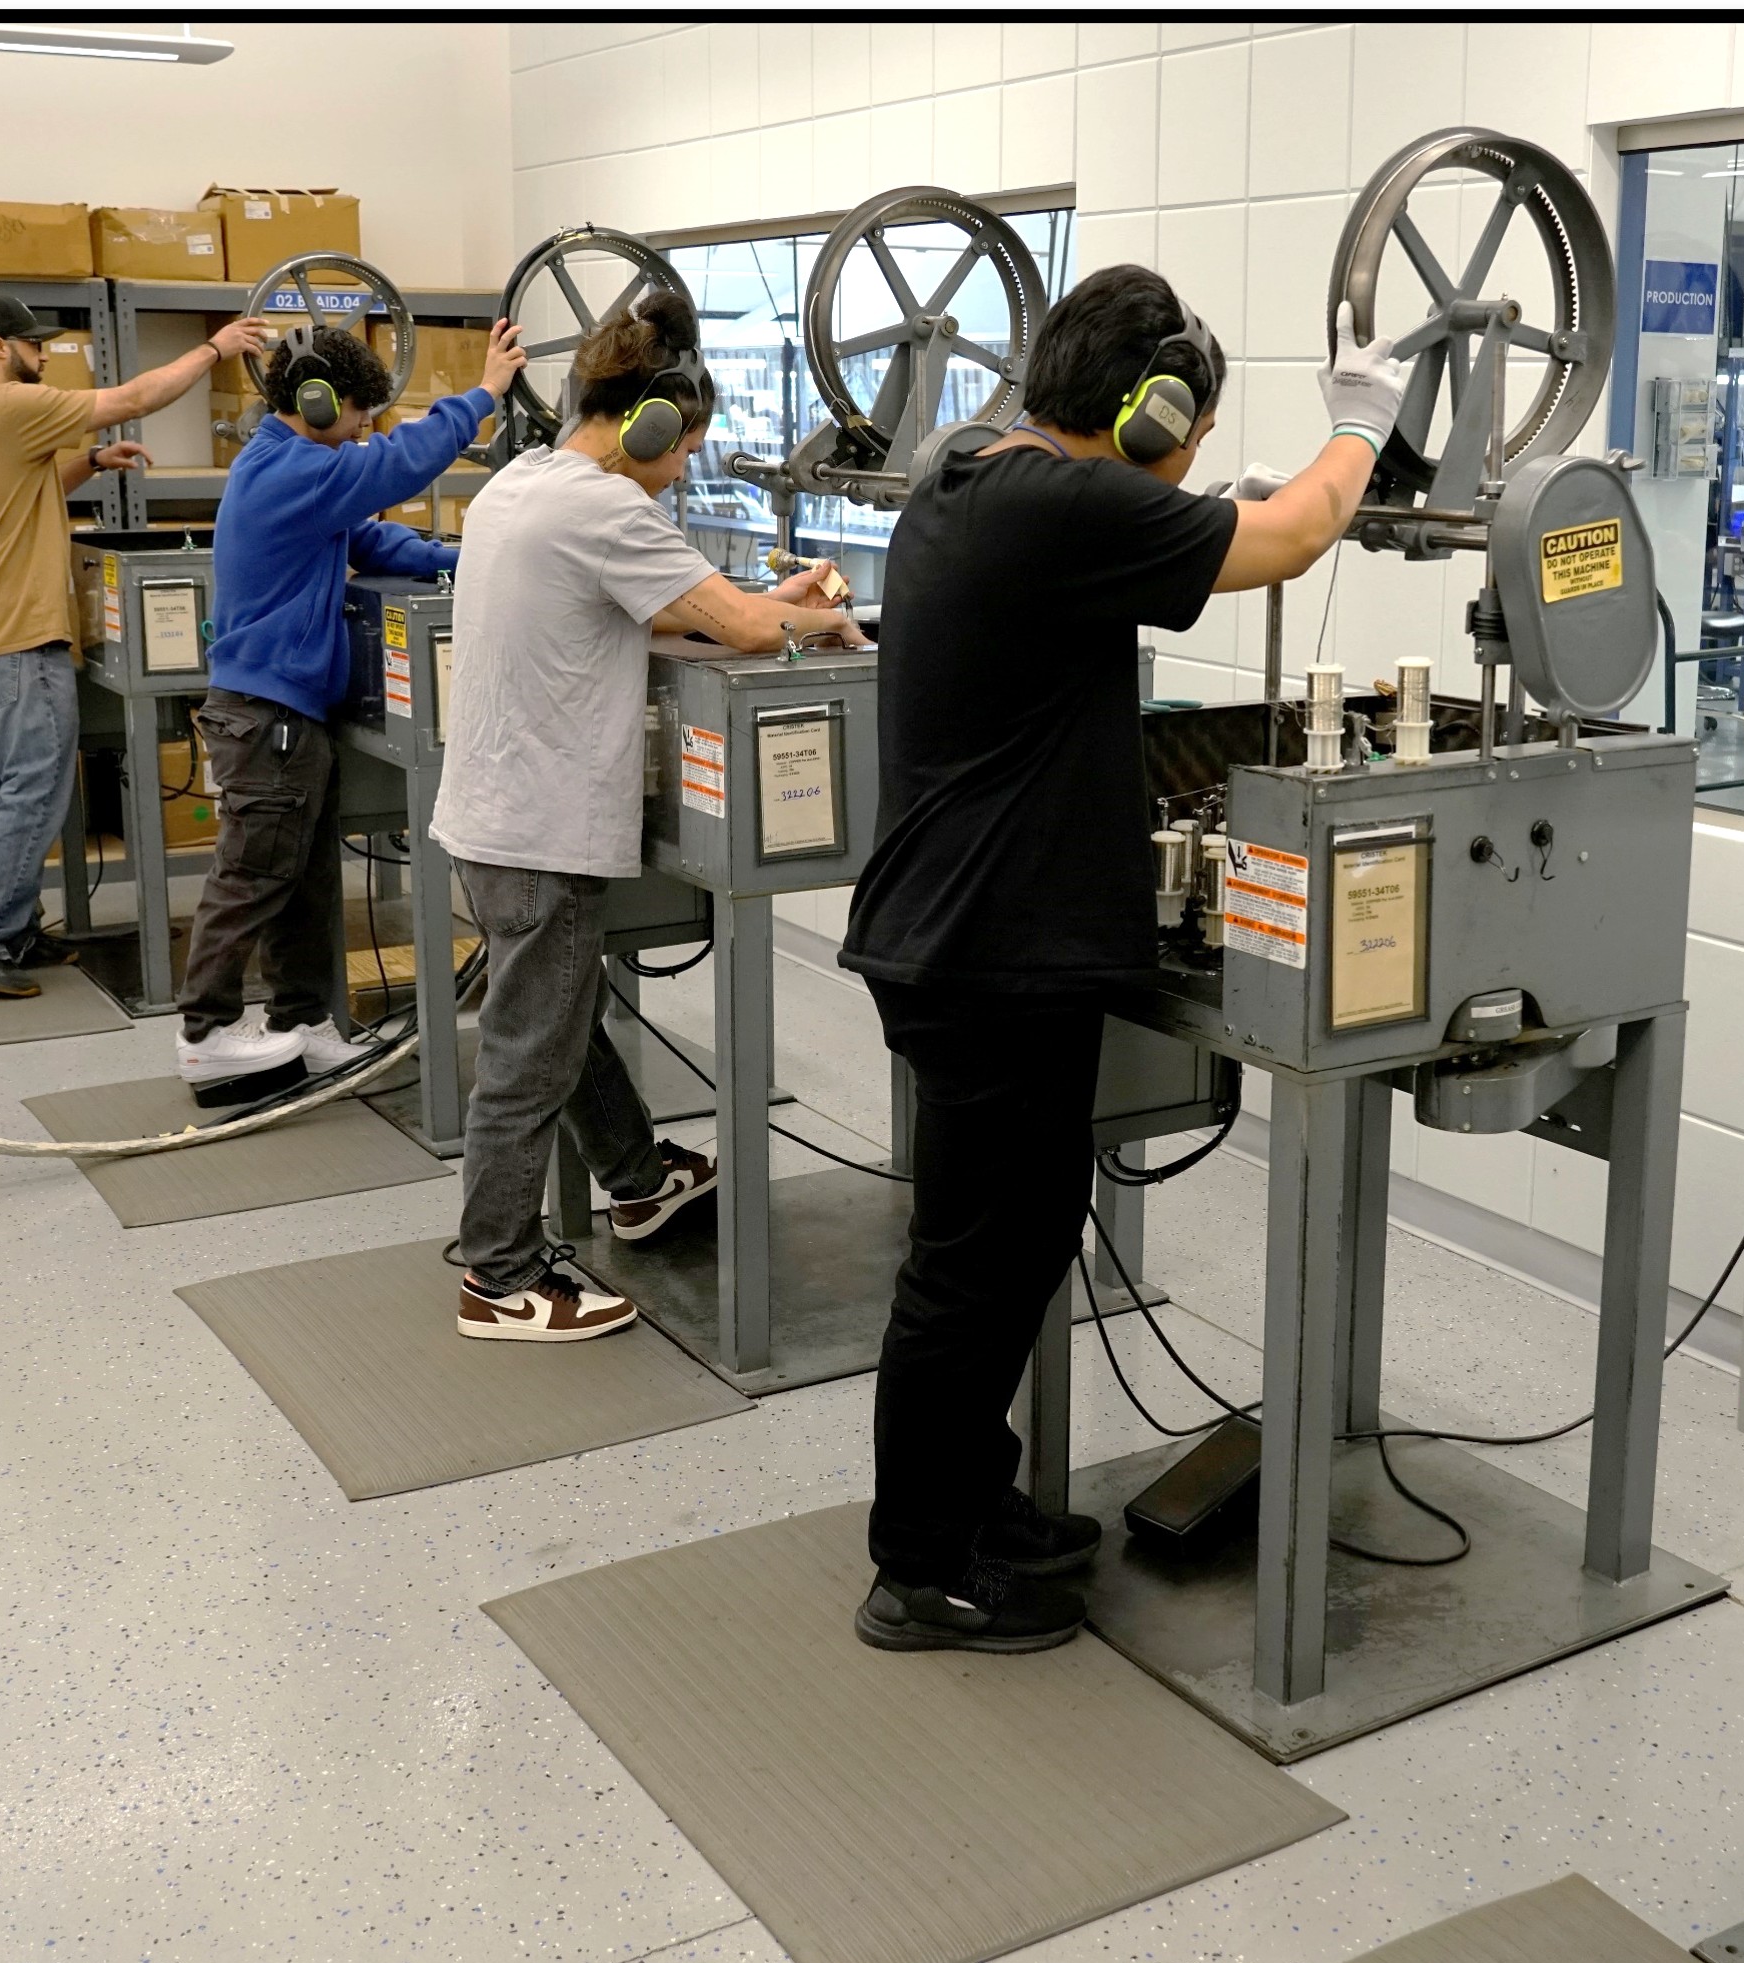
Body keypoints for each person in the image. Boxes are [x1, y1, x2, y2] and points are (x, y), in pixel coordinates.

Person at [835, 267, 1412, 1652]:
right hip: (986, 953)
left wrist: (1203, 512)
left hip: (965, 937)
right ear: (1151, 413)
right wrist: (1359, 427)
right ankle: (919, 1565)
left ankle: (974, 1501)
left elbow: (1193, 540)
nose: (1192, 460)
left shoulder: (976, 467)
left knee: (1017, 1243)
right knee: (973, 1272)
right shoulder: (1060, 505)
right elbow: (1295, 537)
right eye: (1190, 434)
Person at [430, 293, 865, 1340]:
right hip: (542, 829)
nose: (687, 464)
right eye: (685, 443)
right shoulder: (606, 509)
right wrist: (819, 622)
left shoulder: (521, 484)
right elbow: (744, 630)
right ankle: (499, 1276)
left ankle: (635, 1179)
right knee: (530, 1055)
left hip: (487, 815)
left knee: (560, 1019)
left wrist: (777, 605)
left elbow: (669, 605)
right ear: (648, 421)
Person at [178, 318, 523, 1090]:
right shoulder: (291, 470)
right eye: (361, 411)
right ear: (318, 401)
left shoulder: (290, 465)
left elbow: (368, 540)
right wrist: (482, 395)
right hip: (266, 718)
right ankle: (205, 1032)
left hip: (285, 717)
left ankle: (299, 1022)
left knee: (301, 883)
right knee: (252, 875)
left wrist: (464, 559)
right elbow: (398, 464)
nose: (367, 426)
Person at [0, 295, 273, 996]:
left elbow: (22, 487)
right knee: (36, 788)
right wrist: (217, 348)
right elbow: (134, 398)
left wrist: (90, 461)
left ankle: (8, 927)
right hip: (21, 638)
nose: (43, 355)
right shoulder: (8, 405)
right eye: (33, 344)